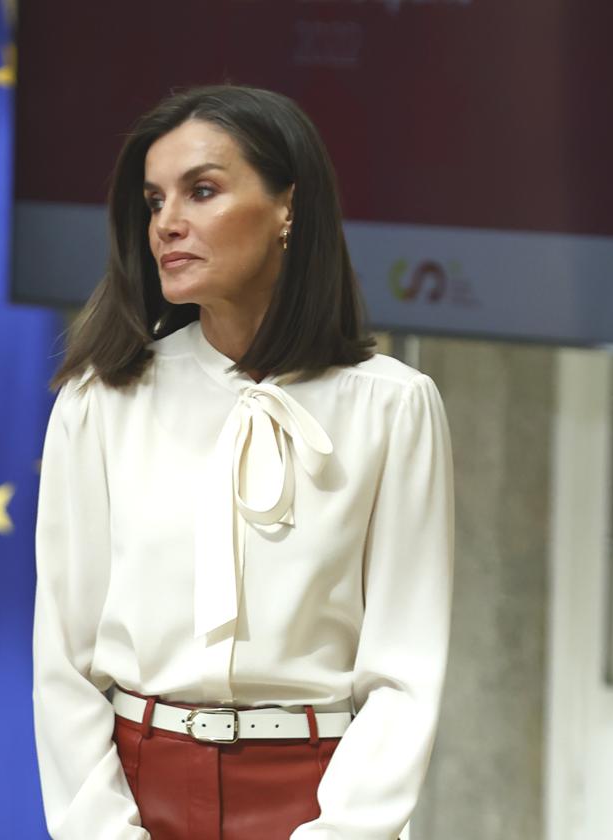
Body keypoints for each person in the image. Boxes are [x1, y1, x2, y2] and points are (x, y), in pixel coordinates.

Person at [33, 85, 454, 840]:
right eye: (154, 200)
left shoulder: (394, 408)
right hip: (134, 795)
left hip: (319, 799)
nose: (167, 223)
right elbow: (63, 662)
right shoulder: (100, 402)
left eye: (201, 192)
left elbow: (405, 676)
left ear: (289, 208)